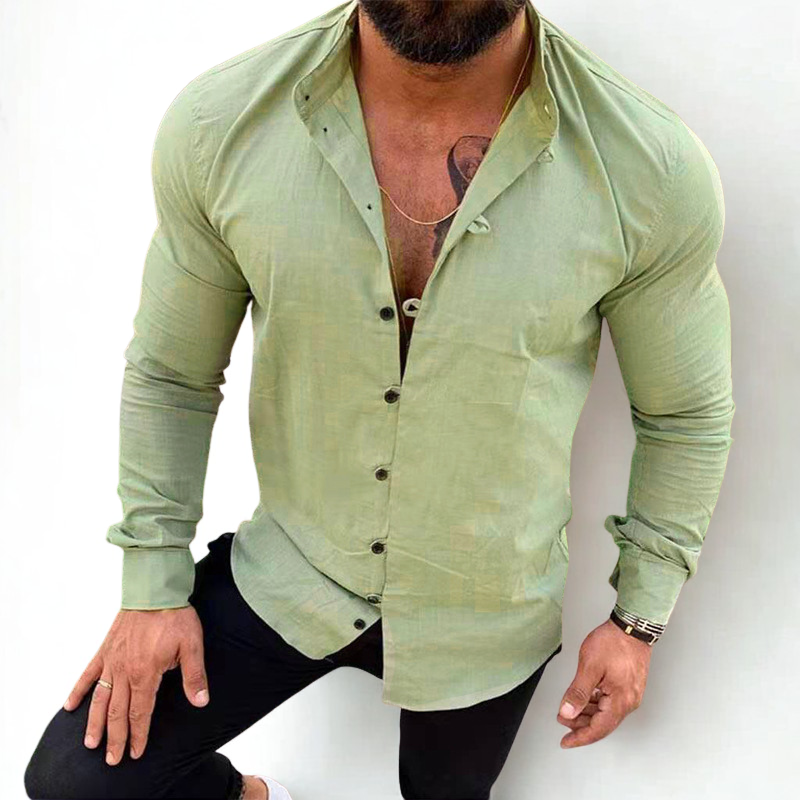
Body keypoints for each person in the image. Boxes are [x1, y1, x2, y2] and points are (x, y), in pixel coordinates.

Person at [23, 1, 735, 798]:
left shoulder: (647, 167)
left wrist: (637, 621)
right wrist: (153, 586)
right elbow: (171, 374)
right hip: (295, 570)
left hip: (484, 607)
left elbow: (684, 416)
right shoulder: (223, 125)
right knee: (75, 783)